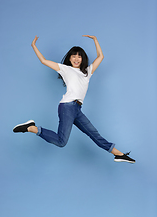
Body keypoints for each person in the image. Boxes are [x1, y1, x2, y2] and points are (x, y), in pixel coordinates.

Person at [13, 35, 135, 163]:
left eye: (79, 56)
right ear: (70, 58)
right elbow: (44, 61)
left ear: (83, 59)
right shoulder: (65, 69)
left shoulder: (87, 72)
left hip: (77, 109)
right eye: (74, 56)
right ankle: (32, 127)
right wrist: (33, 46)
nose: (76, 59)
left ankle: (119, 154)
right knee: (61, 141)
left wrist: (95, 40)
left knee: (95, 134)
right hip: (67, 107)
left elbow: (100, 57)